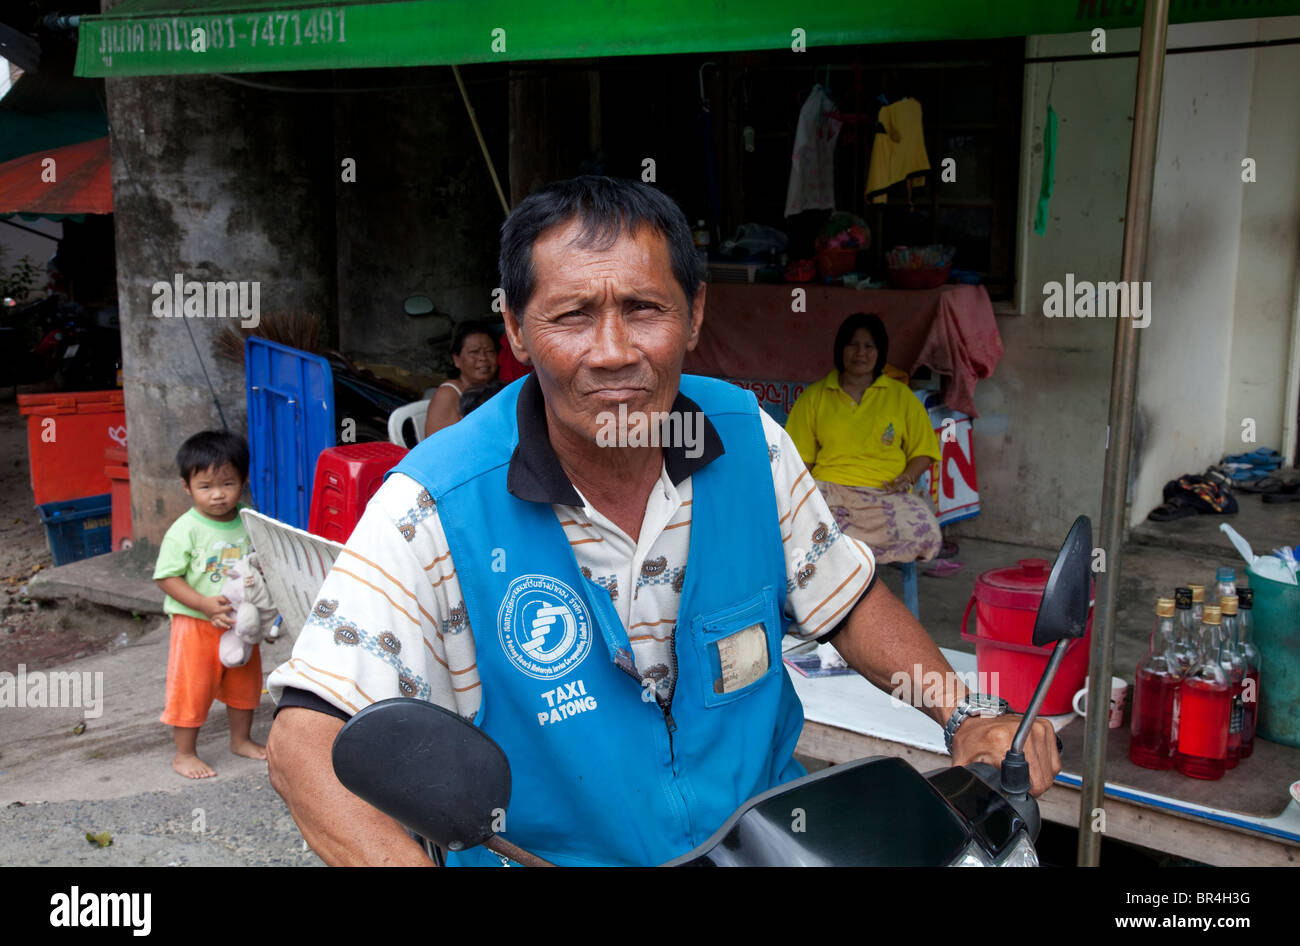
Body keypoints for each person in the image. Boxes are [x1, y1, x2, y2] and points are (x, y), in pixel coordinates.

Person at [265, 175, 1059, 866]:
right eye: (573, 315)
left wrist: (964, 710)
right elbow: (307, 736)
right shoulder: (435, 504)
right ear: (513, 328)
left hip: (772, 849)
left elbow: (844, 597)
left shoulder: (748, 442)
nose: (613, 352)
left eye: (644, 309)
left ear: (695, 313)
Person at [784, 313, 944, 566]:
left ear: (880, 352)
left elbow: (922, 450)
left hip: (886, 494)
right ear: (840, 349)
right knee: (808, 533)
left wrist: (908, 477)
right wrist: (806, 497)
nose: (861, 353)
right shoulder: (815, 397)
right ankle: (842, 586)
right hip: (831, 491)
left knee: (925, 533)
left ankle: (859, 576)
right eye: (853, 345)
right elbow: (799, 461)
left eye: (869, 346)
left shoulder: (900, 396)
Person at [153, 431, 265, 779]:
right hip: (196, 623)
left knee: (245, 684)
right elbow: (167, 577)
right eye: (205, 486)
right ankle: (184, 753)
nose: (218, 494)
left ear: (243, 481)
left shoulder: (248, 518)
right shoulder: (184, 530)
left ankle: (240, 740)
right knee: (192, 688)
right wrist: (202, 603)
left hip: (241, 621)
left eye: (227, 483)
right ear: (187, 487)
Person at [423, 320, 500, 436]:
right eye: (474, 352)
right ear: (456, 360)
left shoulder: (497, 389)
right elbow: (438, 447)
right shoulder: (448, 395)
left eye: (490, 351)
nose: (483, 358)